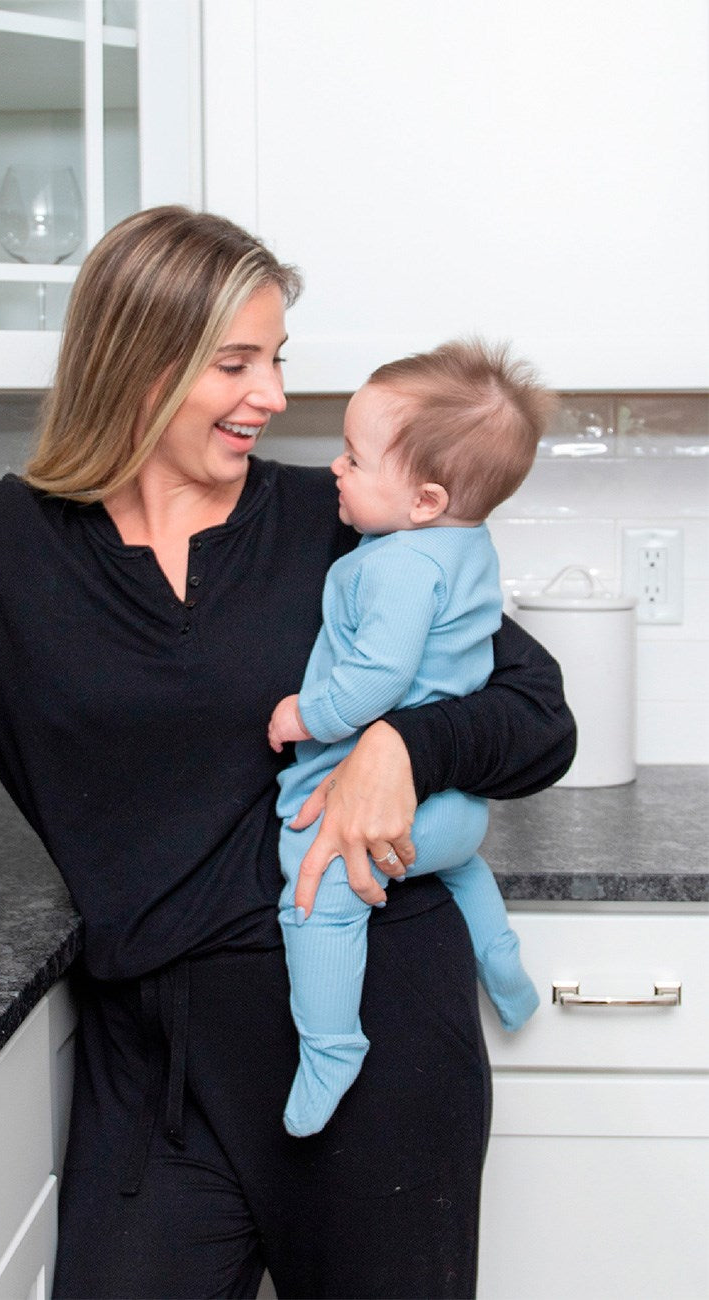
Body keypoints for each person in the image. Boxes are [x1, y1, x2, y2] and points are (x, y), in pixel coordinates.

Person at [0, 207, 575, 1299]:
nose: (274, 395)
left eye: (275, 359)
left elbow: (538, 712)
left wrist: (403, 744)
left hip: (378, 1035)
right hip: (148, 1072)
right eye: (236, 363)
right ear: (140, 362)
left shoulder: (340, 523)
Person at [266, 339, 551, 1139]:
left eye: (355, 459)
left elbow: (376, 680)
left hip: (391, 818)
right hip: (452, 817)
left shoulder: (395, 565)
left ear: (425, 500)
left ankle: (332, 1047)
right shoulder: (467, 546)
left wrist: (304, 716)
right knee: (460, 870)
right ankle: (504, 967)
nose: (336, 468)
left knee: (316, 890)